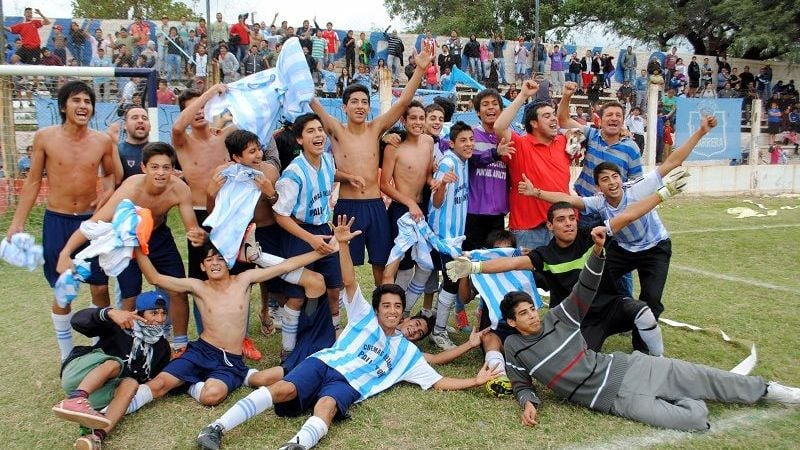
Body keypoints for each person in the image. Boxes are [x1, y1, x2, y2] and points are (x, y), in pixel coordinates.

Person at [194, 215, 498, 450]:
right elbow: (350, 281)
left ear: (403, 312)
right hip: (325, 362)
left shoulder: (408, 353)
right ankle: (216, 428)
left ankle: (296, 445)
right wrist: (341, 244)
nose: (392, 311)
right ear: (379, 309)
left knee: (325, 406)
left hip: (351, 384)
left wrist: (475, 379)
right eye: (387, 306)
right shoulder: (363, 316)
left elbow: (439, 379)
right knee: (283, 388)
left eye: (397, 307)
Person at [500, 226, 800, 431]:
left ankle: (772, 391)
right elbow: (521, 382)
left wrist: (598, 253)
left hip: (632, 368)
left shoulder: (557, 317)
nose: (532, 316)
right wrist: (528, 402)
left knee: (706, 376)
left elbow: (585, 288)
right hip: (614, 400)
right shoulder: (515, 347)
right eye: (524, 314)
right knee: (696, 421)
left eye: (532, 309)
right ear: (512, 323)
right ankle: (686, 393)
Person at [525, 116, 718, 323]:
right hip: (624, 249)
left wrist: (701, 131)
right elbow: (569, 199)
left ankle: (642, 343)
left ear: (622, 179)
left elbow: (673, 161)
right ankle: (597, 318)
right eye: (605, 179)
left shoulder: (639, 188)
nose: (612, 182)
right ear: (598, 187)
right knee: (594, 280)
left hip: (655, 248)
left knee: (651, 299)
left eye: (615, 177)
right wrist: (536, 192)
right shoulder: (599, 201)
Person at [449, 188, 680, 355]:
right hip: (580, 321)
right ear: (550, 226)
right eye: (561, 220)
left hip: (612, 307)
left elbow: (629, 215)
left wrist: (664, 193)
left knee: (644, 311)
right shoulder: (545, 255)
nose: (568, 223)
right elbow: (512, 263)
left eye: (572, 218)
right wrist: (474, 266)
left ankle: (658, 359)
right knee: (582, 359)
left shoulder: (592, 236)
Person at [121, 237, 333, 416]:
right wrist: (137, 246)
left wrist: (322, 251)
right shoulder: (197, 286)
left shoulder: (244, 280)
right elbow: (155, 277)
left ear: (228, 263)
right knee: (159, 385)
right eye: (209, 259)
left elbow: (285, 266)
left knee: (211, 396)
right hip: (201, 351)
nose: (215, 263)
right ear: (203, 266)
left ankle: (189, 383)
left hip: (230, 360)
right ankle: (116, 411)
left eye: (220, 258)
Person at [5, 81, 115, 362]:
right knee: (63, 290)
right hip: (57, 221)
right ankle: (67, 356)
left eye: (88, 101)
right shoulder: (45, 137)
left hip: (91, 223)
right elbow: (32, 183)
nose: (83, 106)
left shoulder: (102, 141)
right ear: (64, 106)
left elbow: (111, 175)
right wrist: (17, 223)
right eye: (76, 100)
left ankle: (105, 346)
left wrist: (108, 193)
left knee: (100, 286)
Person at [309, 47, 431, 287]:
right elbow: (312, 103)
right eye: (354, 102)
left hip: (375, 206)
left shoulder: (376, 128)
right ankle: (349, 313)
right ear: (344, 107)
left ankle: (381, 310)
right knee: (345, 267)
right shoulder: (335, 129)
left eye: (364, 102)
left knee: (381, 264)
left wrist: (420, 69)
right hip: (348, 207)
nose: (360, 106)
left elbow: (404, 101)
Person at [273, 113, 363, 347]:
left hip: (325, 230)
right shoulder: (293, 173)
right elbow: (280, 215)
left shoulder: (328, 160)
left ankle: (332, 340)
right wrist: (310, 239)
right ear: (300, 139)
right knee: (297, 296)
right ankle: (289, 347)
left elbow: (330, 174)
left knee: (335, 289)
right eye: (311, 131)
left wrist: (348, 177)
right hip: (300, 233)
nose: (318, 135)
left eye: (320, 130)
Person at [51, 291, 170, 450]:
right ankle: (76, 399)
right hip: (78, 372)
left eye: (163, 313)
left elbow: (150, 380)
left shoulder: (162, 348)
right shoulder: (119, 325)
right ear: (139, 313)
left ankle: (96, 436)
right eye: (154, 313)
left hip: (98, 392)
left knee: (131, 383)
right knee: (115, 363)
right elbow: (77, 321)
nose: (160, 319)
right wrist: (109, 312)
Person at [171, 85, 233, 346]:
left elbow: (244, 115)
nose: (198, 112)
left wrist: (219, 99)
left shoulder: (224, 130)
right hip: (197, 216)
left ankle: (235, 332)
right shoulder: (183, 141)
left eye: (202, 108)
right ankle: (206, 335)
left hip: (228, 213)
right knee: (201, 278)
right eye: (191, 108)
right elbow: (176, 128)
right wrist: (209, 94)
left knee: (231, 274)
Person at [491, 80, 571, 250]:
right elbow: (499, 126)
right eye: (546, 116)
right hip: (527, 229)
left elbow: (572, 125)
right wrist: (523, 95)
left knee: (563, 276)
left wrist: (567, 97)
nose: (554, 119)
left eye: (553, 114)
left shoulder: (564, 142)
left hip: (561, 225)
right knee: (528, 276)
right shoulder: (520, 144)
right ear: (533, 123)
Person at [558, 81, 643, 199]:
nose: (614, 118)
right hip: (584, 206)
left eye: (618, 115)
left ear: (623, 121)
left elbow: (637, 183)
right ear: (601, 120)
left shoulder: (631, 148)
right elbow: (563, 121)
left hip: (612, 209)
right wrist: (567, 96)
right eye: (609, 115)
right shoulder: (591, 135)